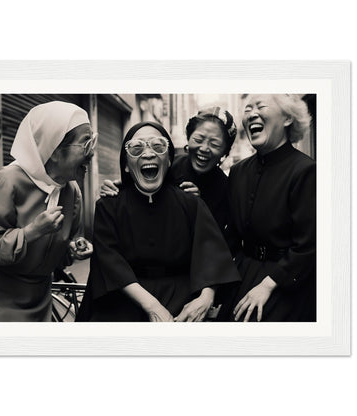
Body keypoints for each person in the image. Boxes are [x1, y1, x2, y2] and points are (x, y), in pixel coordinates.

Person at [77, 121, 240, 322]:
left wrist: (206, 297)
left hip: (181, 300)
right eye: (137, 148)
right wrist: (152, 306)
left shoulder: (191, 203)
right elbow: (109, 261)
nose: (148, 154)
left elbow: (212, 254)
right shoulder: (109, 206)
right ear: (126, 165)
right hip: (124, 298)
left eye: (158, 146)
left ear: (169, 159)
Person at [0, 101, 96, 322]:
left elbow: (57, 255)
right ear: (54, 150)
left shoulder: (72, 191)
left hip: (42, 302)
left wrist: (72, 249)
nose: (92, 152)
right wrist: (31, 232)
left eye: (93, 141)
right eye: (85, 143)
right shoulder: (5, 182)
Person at [225, 94, 316, 322]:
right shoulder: (237, 172)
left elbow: (308, 246)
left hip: (287, 281)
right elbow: (230, 237)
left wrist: (268, 285)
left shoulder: (306, 171)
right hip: (244, 273)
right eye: (247, 109)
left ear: (287, 118)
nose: (252, 114)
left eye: (260, 106)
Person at [101, 107, 237, 233]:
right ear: (188, 138)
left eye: (214, 144)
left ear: (225, 151)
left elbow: (215, 238)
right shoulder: (168, 165)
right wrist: (118, 187)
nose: (204, 148)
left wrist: (198, 207)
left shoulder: (226, 188)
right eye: (198, 139)